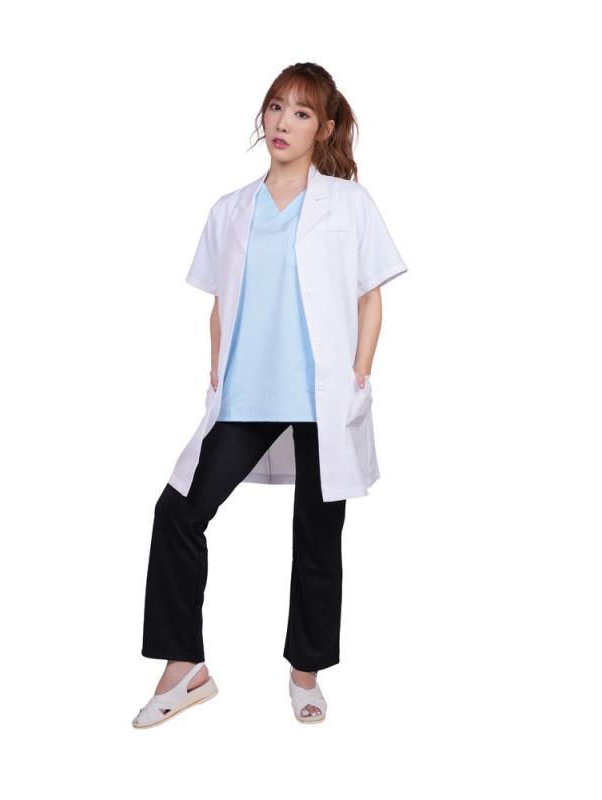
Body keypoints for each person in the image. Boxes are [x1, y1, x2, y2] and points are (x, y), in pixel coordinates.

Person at [133, 62, 408, 728]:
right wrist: (214, 371)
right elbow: (219, 302)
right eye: (276, 107)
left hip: (322, 397)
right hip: (246, 394)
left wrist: (360, 374)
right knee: (177, 514)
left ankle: (305, 673)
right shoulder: (230, 209)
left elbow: (371, 297)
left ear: (325, 129)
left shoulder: (348, 203)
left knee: (317, 538)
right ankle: (184, 667)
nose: (283, 122)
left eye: (302, 113)